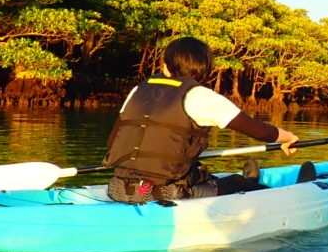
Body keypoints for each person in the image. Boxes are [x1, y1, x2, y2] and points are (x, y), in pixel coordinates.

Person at [104, 36, 309, 204]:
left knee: (202, 174)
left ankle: (250, 180)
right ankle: (291, 197)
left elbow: (112, 144)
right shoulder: (198, 95)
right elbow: (258, 131)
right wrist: (287, 137)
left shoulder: (138, 90)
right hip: (166, 194)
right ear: (206, 69)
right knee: (238, 182)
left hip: (118, 189)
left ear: (166, 67)